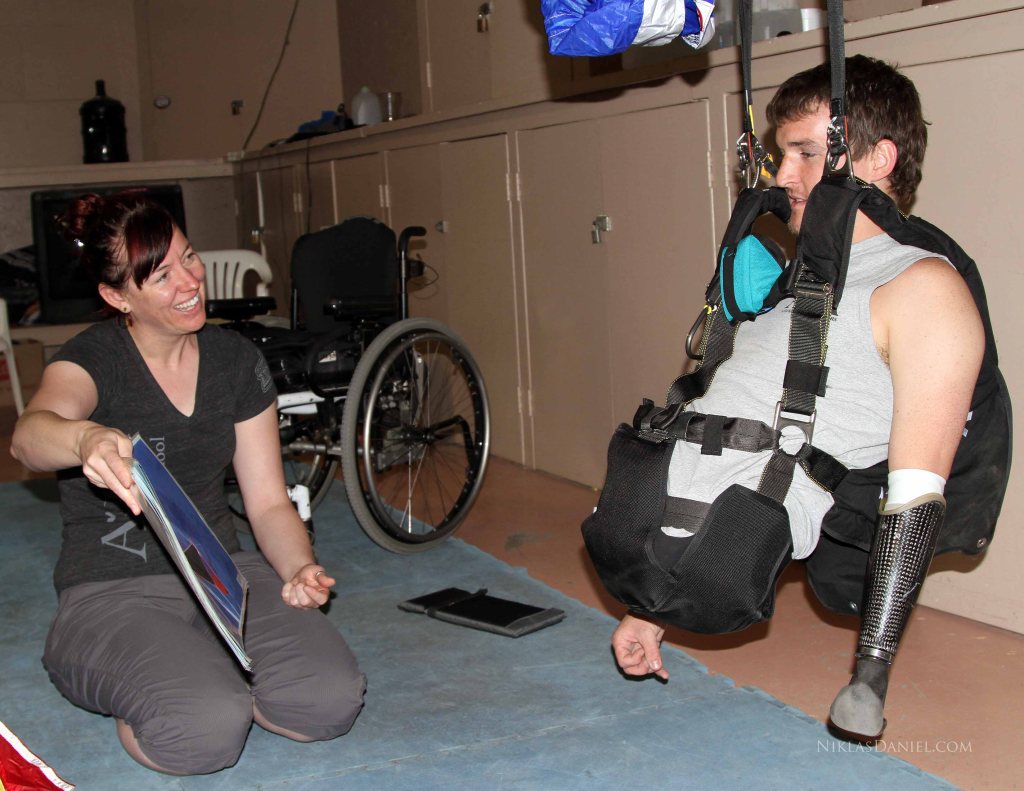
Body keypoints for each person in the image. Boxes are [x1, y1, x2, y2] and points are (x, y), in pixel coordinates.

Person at [608, 55, 984, 738]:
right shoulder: (795, 282)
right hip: (667, 536)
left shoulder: (924, 288)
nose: (783, 177)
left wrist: (868, 679)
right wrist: (651, 601)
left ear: (877, 158)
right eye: (782, 155)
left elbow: (916, 493)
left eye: (806, 153)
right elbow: (725, 413)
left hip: (750, 525)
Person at [10, 193, 366, 775]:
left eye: (190, 257)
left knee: (327, 703)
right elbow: (29, 434)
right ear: (116, 295)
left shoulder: (234, 358)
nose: (190, 282)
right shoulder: (92, 358)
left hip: (219, 573)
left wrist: (298, 567)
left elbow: (269, 501)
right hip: (111, 592)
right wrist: (84, 439)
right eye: (161, 275)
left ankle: (205, 665)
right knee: (201, 733)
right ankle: (185, 681)